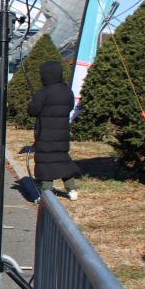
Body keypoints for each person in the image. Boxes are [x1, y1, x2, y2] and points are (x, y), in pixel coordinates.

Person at [27, 61, 81, 201]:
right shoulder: (67, 91)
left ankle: (46, 193)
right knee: (62, 160)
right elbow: (70, 107)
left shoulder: (43, 93)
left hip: (45, 134)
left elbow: (33, 110)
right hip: (62, 133)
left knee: (45, 162)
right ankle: (72, 189)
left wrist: (32, 103)